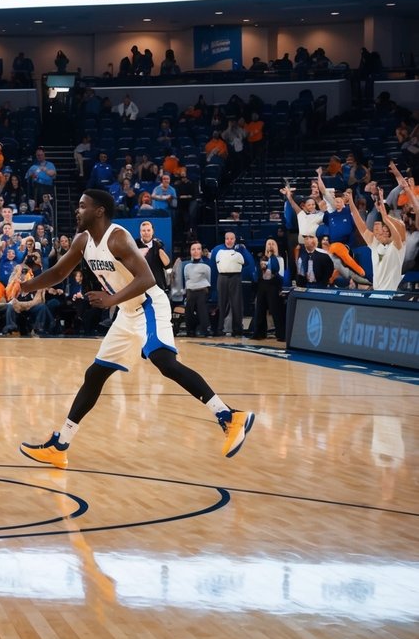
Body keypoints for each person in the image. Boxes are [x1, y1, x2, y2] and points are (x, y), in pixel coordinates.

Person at [17, 191, 255, 469]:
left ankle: (228, 416)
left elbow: (147, 278)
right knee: (95, 374)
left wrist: (110, 300)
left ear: (99, 211)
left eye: (83, 206)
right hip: (127, 313)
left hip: (148, 304)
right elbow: (58, 272)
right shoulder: (83, 241)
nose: (77, 211)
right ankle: (60, 445)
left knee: (164, 362)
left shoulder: (118, 238)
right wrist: (26, 287)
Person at [345, 188, 406, 291]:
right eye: (374, 229)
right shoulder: (375, 244)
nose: (375, 231)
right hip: (376, 293)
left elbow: (400, 229)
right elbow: (361, 225)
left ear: (387, 231)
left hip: (391, 294)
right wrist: (351, 202)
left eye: (379, 228)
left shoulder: (397, 246)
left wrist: (386, 217)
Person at [210, 232, 251, 337]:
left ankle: (237, 329)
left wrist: (243, 250)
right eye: (227, 238)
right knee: (221, 304)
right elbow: (213, 267)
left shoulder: (240, 250)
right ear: (224, 239)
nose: (229, 241)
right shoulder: (218, 249)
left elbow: (247, 262)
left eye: (231, 238)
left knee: (236, 304)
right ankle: (219, 329)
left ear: (235, 239)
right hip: (222, 277)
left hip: (235, 277)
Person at [250, 239, 285, 341]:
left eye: (273, 244)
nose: (270, 246)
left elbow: (278, 271)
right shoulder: (262, 258)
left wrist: (271, 257)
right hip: (262, 285)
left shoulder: (279, 259)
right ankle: (259, 333)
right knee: (260, 310)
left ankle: (281, 334)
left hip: (274, 285)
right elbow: (257, 273)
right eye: (268, 244)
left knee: (275, 311)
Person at [177, 242, 212, 337]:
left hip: (202, 290)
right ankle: (190, 330)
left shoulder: (206, 265)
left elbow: (208, 279)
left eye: (198, 249)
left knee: (202, 309)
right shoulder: (187, 266)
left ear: (201, 251)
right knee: (189, 310)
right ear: (190, 251)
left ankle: (206, 329)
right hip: (190, 291)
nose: (196, 251)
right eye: (193, 249)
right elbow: (186, 279)